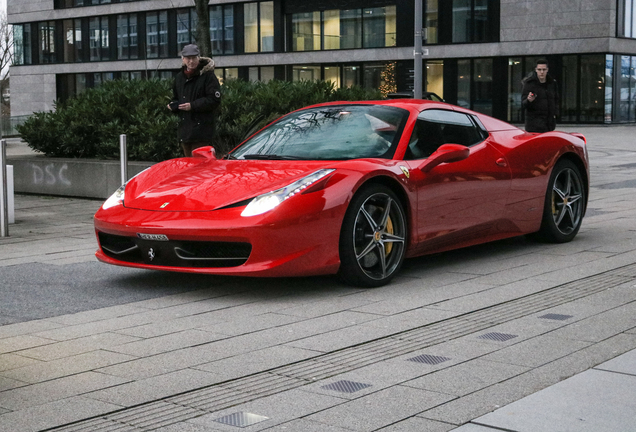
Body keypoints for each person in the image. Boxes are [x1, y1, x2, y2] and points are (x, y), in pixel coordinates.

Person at [168, 44, 222, 156]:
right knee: (189, 167)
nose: (191, 61)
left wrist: (192, 105)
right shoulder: (179, 77)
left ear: (199, 58)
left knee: (201, 167)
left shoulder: (208, 76)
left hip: (202, 132)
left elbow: (214, 100)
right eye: (188, 58)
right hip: (185, 132)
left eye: (193, 58)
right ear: (183, 59)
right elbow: (176, 97)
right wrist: (173, 105)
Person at [521, 59, 559, 133]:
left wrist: (555, 114)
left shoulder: (552, 83)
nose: (542, 72)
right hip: (533, 125)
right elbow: (523, 103)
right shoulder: (529, 83)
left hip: (549, 124)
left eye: (544, 69)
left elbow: (556, 99)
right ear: (536, 70)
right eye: (539, 69)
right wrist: (528, 100)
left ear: (547, 70)